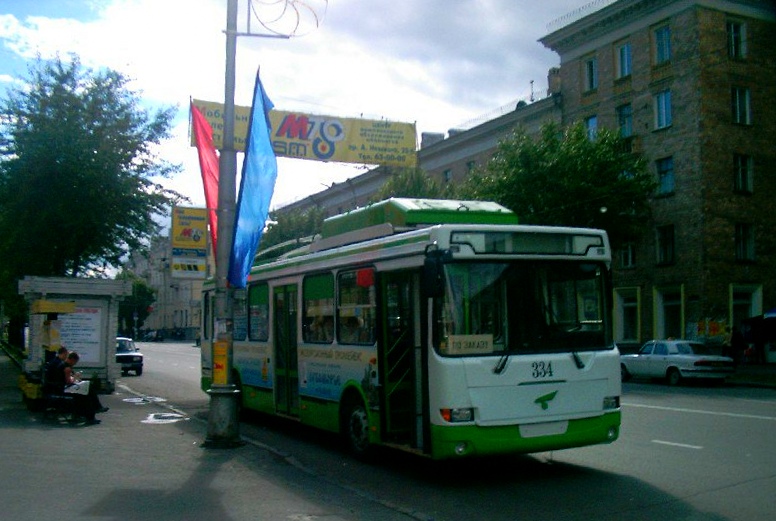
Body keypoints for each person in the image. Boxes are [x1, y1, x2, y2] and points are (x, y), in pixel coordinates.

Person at [62, 352, 108, 425]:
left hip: (62, 387)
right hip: (64, 389)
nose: (75, 364)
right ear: (73, 360)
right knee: (86, 395)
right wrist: (75, 377)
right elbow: (68, 382)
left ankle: (94, 411)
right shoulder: (67, 368)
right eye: (75, 362)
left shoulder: (65, 365)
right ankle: (94, 412)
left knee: (87, 390)